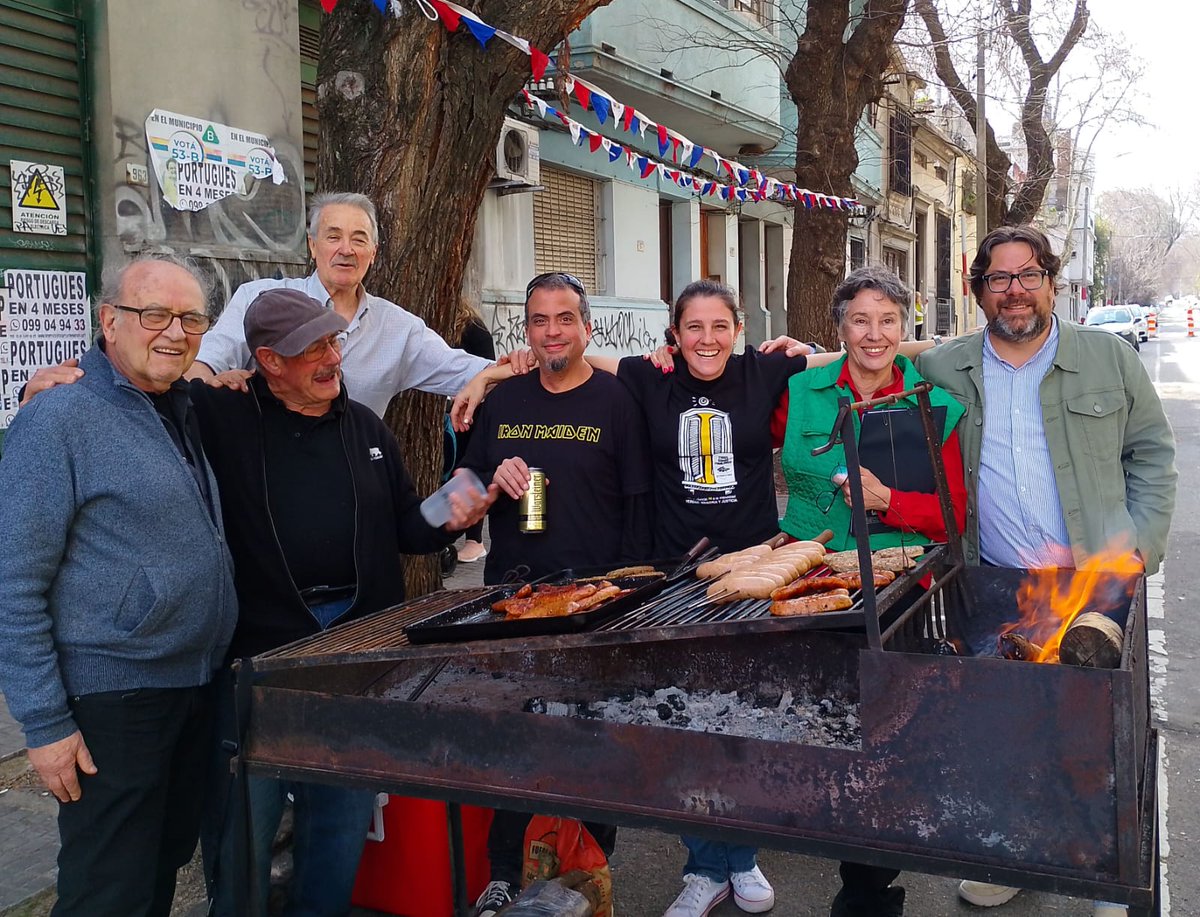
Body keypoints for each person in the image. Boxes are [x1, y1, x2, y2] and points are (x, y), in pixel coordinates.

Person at [195, 288, 495, 917]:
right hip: (261, 660)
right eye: (316, 348)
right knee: (243, 831)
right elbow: (143, 387)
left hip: (357, 653)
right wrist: (57, 382)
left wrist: (455, 506)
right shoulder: (222, 415)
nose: (334, 356)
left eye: (336, 341)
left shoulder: (363, 425)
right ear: (271, 361)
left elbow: (409, 527)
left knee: (340, 821)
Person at [917, 225, 1176, 917]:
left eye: (1028, 274)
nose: (1014, 290)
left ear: (1051, 281)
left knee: (1097, 732)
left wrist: (1138, 548)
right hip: (998, 578)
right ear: (978, 291)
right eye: (998, 279)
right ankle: (1015, 855)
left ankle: (1104, 871)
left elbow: (1152, 454)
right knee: (1009, 727)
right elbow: (873, 357)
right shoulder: (950, 365)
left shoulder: (1108, 358)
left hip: (1097, 581)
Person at [0, 254, 238, 917]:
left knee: (157, 873)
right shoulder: (58, 418)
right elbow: (12, 579)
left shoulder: (176, 406)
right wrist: (44, 723)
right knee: (108, 890)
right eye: (153, 313)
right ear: (109, 321)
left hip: (186, 685)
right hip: (113, 701)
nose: (174, 330)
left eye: (191, 317)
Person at [456, 272, 654, 916]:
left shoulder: (615, 401)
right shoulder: (503, 401)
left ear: (586, 327)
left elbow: (637, 504)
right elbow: (459, 497)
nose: (551, 331)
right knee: (514, 736)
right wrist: (489, 477)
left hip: (598, 599)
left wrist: (630, 595)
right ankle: (504, 872)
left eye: (564, 318)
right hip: (514, 597)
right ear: (528, 331)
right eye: (539, 320)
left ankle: (591, 865)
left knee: (596, 738)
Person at [773, 265, 967, 917]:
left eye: (888, 319)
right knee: (823, 733)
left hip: (901, 590)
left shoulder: (936, 404)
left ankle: (867, 888)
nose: (874, 333)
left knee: (884, 742)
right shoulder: (801, 390)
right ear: (839, 328)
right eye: (860, 319)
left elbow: (954, 517)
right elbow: (708, 376)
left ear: (906, 325)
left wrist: (890, 500)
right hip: (811, 586)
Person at [20, 192, 496, 418]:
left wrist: (543, 361)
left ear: (374, 252)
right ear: (311, 245)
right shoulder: (260, 301)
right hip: (264, 493)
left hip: (352, 488)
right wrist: (213, 383)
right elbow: (199, 363)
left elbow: (464, 370)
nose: (345, 249)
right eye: (333, 236)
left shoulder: (399, 328)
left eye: (359, 239)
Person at [450, 298, 497, 564]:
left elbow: (486, 370)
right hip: (454, 412)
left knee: (467, 468)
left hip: (471, 413)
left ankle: (475, 540)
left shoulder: (473, 328)